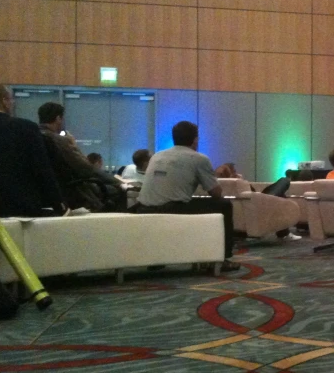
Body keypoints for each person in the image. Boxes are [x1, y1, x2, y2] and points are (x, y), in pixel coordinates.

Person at [135, 121, 239, 270]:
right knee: (224, 205)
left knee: (193, 203)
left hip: (143, 208)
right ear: (195, 139)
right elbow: (216, 193)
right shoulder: (199, 158)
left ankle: (157, 259)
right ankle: (223, 257)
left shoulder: (157, 156)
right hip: (171, 209)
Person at [38, 102, 126, 212]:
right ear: (58, 118)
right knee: (119, 192)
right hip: (73, 191)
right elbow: (86, 168)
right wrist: (120, 183)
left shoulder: (34, 137)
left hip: (45, 192)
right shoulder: (59, 141)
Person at [0, 85, 65, 218]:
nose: (13, 103)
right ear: (4, 101)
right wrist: (60, 206)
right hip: (20, 207)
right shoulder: (26, 128)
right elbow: (42, 169)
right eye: (11, 100)